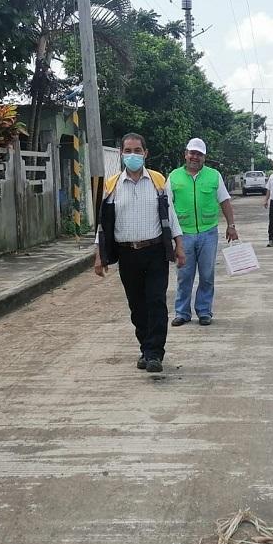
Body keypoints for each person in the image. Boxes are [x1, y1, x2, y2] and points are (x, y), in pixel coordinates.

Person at [94, 133, 185, 373]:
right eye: (128, 150)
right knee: (137, 306)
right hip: (127, 255)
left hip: (154, 251)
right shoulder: (111, 186)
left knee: (156, 301)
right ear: (121, 153)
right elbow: (103, 225)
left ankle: (155, 353)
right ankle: (146, 348)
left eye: (137, 150)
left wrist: (179, 246)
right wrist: (98, 255)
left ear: (145, 153)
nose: (132, 155)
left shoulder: (158, 182)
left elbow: (171, 216)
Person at [168, 138, 238, 327]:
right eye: (192, 153)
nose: (195, 157)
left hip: (208, 233)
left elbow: (224, 201)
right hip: (183, 234)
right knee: (184, 274)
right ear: (185, 154)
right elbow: (167, 206)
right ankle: (182, 312)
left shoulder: (214, 176)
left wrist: (231, 225)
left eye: (199, 154)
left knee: (207, 274)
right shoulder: (174, 177)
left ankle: (204, 311)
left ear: (204, 157)